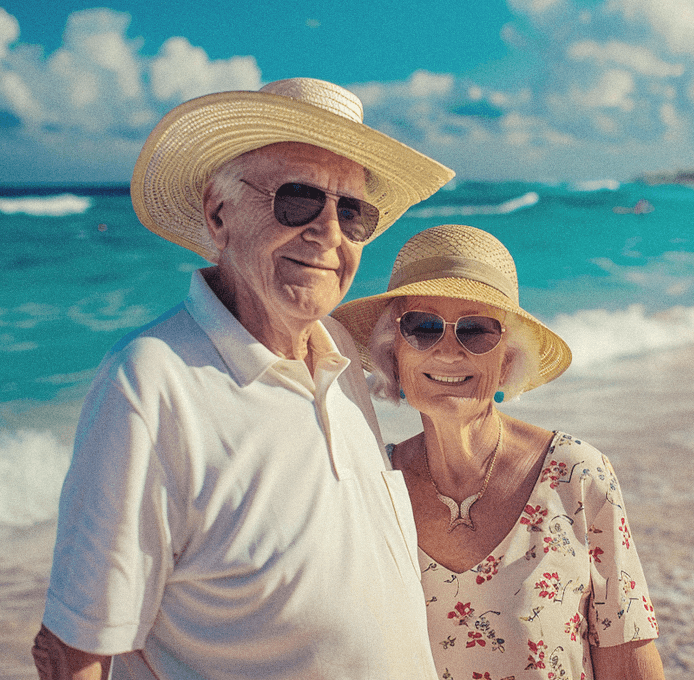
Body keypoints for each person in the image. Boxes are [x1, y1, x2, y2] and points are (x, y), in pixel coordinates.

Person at [32, 78, 454, 680]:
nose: (328, 232)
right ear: (218, 212)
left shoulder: (341, 358)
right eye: (299, 199)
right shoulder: (152, 382)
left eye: (353, 212)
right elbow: (72, 651)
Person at [330, 224, 666, 679]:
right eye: (423, 327)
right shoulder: (371, 483)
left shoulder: (577, 475)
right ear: (394, 351)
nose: (448, 350)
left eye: (476, 330)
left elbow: (629, 663)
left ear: (507, 357)